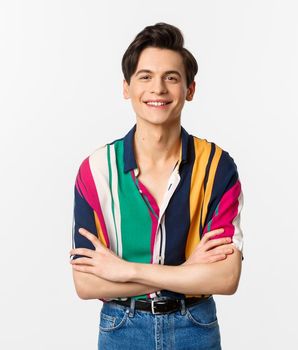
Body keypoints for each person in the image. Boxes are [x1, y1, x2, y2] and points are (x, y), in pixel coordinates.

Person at [69, 22, 244, 350]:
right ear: (127, 87)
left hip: (195, 325)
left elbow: (225, 277)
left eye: (172, 77)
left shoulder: (217, 168)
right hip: (122, 328)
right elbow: (86, 282)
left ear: (190, 89)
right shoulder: (95, 171)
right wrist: (186, 273)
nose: (158, 89)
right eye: (145, 76)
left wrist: (124, 271)